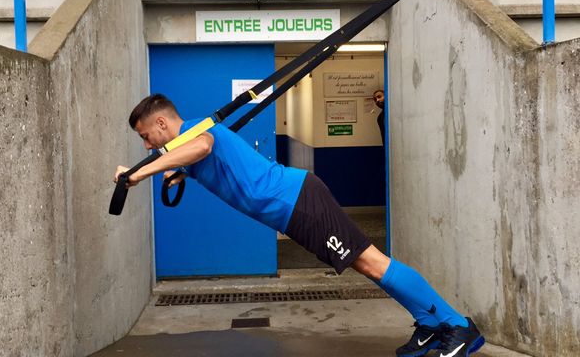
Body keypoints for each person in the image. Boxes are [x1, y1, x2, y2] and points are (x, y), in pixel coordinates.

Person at [114, 94, 485, 357]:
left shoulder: (197, 132)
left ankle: (456, 326)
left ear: (162, 123)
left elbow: (203, 148)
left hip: (298, 202)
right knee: (366, 265)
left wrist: (140, 173)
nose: (147, 145)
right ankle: (429, 323)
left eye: (146, 136)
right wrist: (179, 173)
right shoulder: (185, 145)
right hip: (292, 206)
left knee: (372, 262)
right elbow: (201, 160)